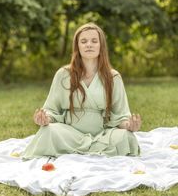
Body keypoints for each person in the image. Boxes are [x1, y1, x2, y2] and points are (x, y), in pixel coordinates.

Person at [22, 23, 141, 160]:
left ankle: (83, 151)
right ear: (77, 46)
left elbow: (120, 115)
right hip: (70, 135)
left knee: (127, 137)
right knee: (48, 131)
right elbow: (52, 110)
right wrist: (44, 119)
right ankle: (93, 152)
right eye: (83, 41)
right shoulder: (63, 74)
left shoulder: (113, 77)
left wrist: (129, 125)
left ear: (101, 46)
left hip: (102, 136)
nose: (89, 45)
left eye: (94, 41)